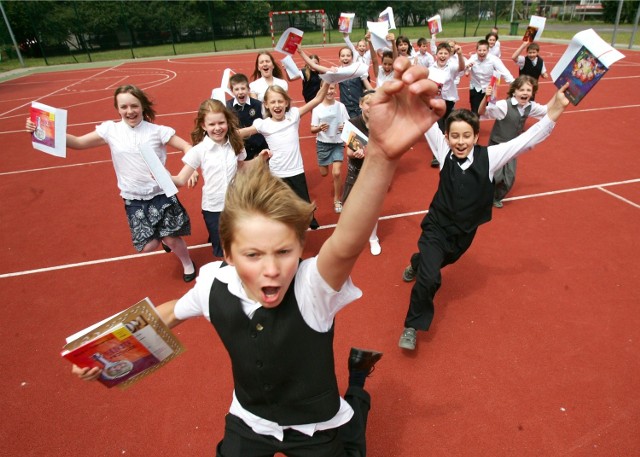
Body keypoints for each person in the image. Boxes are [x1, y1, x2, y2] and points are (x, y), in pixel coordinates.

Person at [73, 57, 446, 456]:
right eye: (253, 254)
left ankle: (356, 384)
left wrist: (381, 156)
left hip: (316, 425)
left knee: (355, 442)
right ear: (228, 254)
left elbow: (348, 240)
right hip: (250, 421)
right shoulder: (213, 283)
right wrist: (110, 353)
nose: (271, 269)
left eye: (285, 251)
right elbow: (168, 314)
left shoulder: (311, 287)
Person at [398, 83, 571, 351]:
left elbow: (525, 141)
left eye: (466, 136)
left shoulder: (490, 157)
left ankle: (416, 263)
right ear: (446, 137)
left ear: (476, 136)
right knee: (431, 278)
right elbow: (424, 119)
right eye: (454, 136)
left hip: (465, 233)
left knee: (438, 263)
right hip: (437, 227)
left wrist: (555, 110)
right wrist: (408, 90)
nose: (460, 142)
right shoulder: (443, 152)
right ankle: (412, 325)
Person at [26, 85, 197, 282]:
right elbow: (79, 142)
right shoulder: (110, 130)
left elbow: (187, 147)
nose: (130, 111)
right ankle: (165, 237)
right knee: (148, 246)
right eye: (124, 107)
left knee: (171, 238)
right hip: (134, 197)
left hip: (161, 193)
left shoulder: (157, 131)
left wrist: (189, 171)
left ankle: (186, 262)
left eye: (134, 106)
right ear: (117, 108)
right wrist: (41, 130)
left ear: (142, 106)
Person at [239, 83, 331, 230]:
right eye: (273, 102)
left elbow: (318, 99)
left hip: (296, 172)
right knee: (283, 214)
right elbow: (242, 133)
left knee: (304, 213)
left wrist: (327, 81)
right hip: (277, 175)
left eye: (280, 101)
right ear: (266, 105)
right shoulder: (264, 124)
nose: (277, 105)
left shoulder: (293, 116)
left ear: (286, 102)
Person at [171, 99, 254, 258]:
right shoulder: (199, 150)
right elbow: (181, 180)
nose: (217, 128)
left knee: (242, 244)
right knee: (223, 250)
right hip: (214, 208)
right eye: (212, 124)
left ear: (227, 122)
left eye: (221, 123)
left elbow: (241, 166)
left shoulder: (235, 144)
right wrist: (162, 178)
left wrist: (260, 160)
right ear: (203, 125)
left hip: (237, 205)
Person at [478, 75, 548, 208]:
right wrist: (485, 98)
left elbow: (547, 110)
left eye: (528, 90)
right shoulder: (504, 106)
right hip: (498, 144)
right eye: (521, 90)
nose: (525, 93)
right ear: (514, 91)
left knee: (509, 177)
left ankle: (496, 197)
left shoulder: (530, 106)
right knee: (495, 175)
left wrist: (561, 93)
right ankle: (482, 195)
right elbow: (481, 111)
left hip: (513, 146)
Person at [341, 89, 383, 256]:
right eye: (368, 104)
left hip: (373, 172)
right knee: (348, 207)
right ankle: (349, 237)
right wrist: (358, 153)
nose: (371, 108)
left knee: (372, 208)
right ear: (360, 104)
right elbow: (349, 152)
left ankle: (373, 238)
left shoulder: (381, 124)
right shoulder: (352, 123)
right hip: (355, 171)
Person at [299, 47, 373, 119]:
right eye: (343, 56)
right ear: (339, 58)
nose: (345, 58)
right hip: (346, 109)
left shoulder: (358, 69)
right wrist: (301, 52)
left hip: (360, 107)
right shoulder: (337, 72)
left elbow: (369, 90)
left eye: (348, 55)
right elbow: (314, 66)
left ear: (352, 57)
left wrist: (365, 80)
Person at [310, 83, 350, 213]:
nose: (329, 91)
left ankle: (337, 199)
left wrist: (344, 126)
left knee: (337, 172)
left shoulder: (341, 106)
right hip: (323, 143)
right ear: (322, 89)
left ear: (336, 89)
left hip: (337, 143)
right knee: (324, 173)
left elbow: (347, 123)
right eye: (326, 88)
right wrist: (319, 128)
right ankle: (324, 164)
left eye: (332, 88)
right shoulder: (317, 108)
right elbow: (312, 129)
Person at [429, 41, 466, 167]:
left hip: (449, 100)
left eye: (446, 53)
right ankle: (436, 155)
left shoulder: (451, 67)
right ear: (436, 55)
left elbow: (461, 68)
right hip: (436, 101)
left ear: (449, 55)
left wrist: (460, 55)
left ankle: (451, 151)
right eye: (441, 53)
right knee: (438, 126)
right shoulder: (430, 69)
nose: (443, 55)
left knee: (448, 125)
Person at [464, 39, 515, 114]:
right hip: (475, 87)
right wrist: (467, 67)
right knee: (475, 111)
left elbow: (505, 72)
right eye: (479, 50)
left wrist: (515, 84)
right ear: (476, 50)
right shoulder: (473, 58)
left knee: (488, 111)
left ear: (488, 51)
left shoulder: (494, 60)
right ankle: (474, 125)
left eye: (484, 50)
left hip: (489, 89)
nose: (482, 52)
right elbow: (463, 68)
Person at [226, 73, 269, 161]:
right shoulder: (227, 107)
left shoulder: (258, 104)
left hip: (259, 148)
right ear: (232, 91)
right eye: (236, 89)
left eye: (243, 88)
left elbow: (267, 123)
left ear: (248, 89)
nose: (240, 92)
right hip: (240, 150)